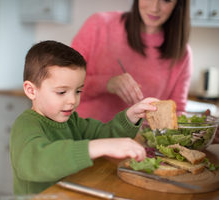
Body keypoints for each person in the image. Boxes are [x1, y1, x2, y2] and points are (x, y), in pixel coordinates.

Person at [10, 40, 159, 195]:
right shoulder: (25, 125)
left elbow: (107, 134)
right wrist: (95, 147)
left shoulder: (72, 121)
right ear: (31, 90)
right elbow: (37, 162)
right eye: (62, 92)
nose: (72, 100)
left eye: (78, 91)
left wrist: (131, 116)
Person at [71, 0, 192, 123]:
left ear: (178, 4)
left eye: (166, 0)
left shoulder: (182, 53)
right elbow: (64, 85)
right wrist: (107, 83)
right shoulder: (98, 24)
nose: (155, 8)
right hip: (84, 136)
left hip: (138, 140)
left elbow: (177, 111)